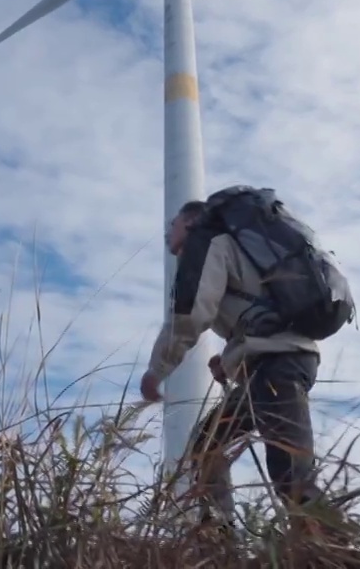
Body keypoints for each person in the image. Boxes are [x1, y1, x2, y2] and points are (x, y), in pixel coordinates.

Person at [139, 197, 331, 528]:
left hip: (277, 365)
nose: (168, 233)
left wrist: (157, 370)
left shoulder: (209, 243)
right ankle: (217, 535)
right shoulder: (238, 250)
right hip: (272, 363)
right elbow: (254, 316)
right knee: (207, 445)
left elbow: (190, 313)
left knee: (291, 474)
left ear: (189, 223)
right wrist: (228, 362)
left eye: (172, 226)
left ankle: (346, 551)